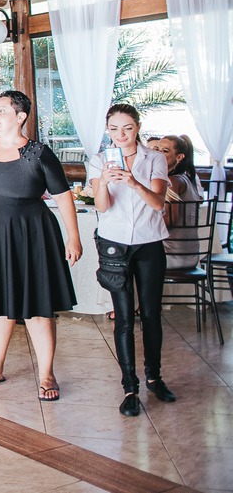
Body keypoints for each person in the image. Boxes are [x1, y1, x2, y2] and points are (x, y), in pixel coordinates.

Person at [0, 90, 81, 403]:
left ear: (20, 117)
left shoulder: (38, 152)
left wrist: (73, 237)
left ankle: (47, 372)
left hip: (32, 230)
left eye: (2, 110)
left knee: (37, 305)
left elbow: (62, 196)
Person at [90, 104, 173, 417]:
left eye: (126, 128)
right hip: (114, 244)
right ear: (107, 130)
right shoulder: (100, 160)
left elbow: (157, 203)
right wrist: (105, 182)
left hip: (150, 243)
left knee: (150, 314)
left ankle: (154, 377)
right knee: (123, 318)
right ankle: (129, 388)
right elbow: (103, 207)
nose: (120, 135)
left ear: (137, 127)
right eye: (113, 129)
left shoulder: (154, 159)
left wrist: (133, 182)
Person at [157, 134, 204, 270]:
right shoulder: (187, 178)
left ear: (179, 157)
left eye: (165, 151)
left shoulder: (173, 182)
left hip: (174, 256)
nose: (158, 155)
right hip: (190, 254)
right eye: (157, 150)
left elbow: (169, 220)